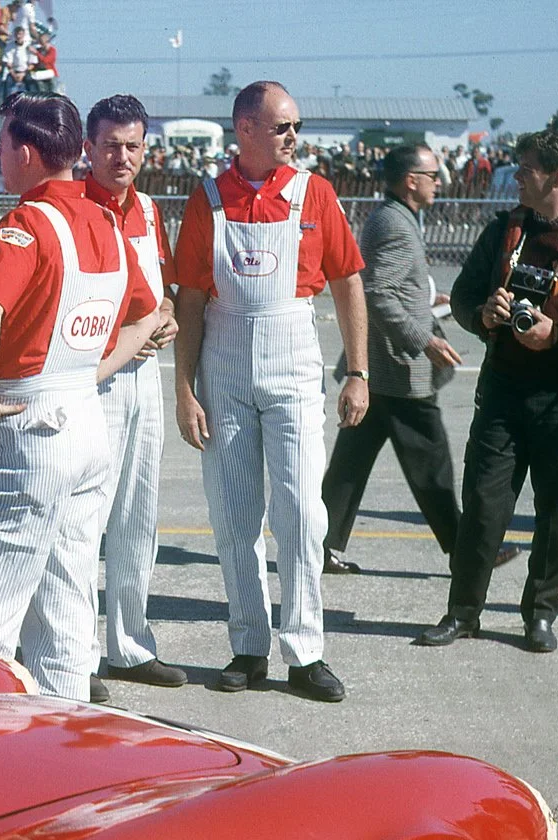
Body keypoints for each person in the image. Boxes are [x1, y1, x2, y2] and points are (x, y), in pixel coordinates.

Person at [0, 92, 161, 703]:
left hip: (29, 422)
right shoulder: (108, 222)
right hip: (86, 423)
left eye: (4, 144)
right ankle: (66, 743)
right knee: (67, 611)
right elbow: (147, 315)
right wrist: (92, 372)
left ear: (28, 152)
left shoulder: (28, 223)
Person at [172, 80, 368, 703]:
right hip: (223, 365)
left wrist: (358, 371)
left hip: (292, 360)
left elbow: (347, 284)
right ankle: (248, 645)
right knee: (234, 514)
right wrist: (184, 388)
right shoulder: (207, 199)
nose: (293, 138)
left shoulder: (316, 193)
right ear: (246, 130)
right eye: (282, 127)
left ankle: (306, 650)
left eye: (296, 127)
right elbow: (191, 300)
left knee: (303, 514)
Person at [417, 129, 558, 653]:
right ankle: (462, 612)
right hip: (503, 390)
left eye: (525, 169)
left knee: (557, 512)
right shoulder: (505, 230)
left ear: (557, 177)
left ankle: (540, 614)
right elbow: (466, 295)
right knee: (481, 504)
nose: (515, 176)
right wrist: (482, 314)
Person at [319, 144, 521, 576]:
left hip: (380, 366)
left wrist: (429, 299)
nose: (440, 182)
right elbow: (377, 293)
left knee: (350, 464)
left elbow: (390, 285)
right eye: (433, 175)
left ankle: (318, 546)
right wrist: (423, 338)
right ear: (411, 180)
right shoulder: (394, 223)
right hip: (397, 368)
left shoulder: (395, 217)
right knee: (432, 463)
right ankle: (467, 552)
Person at [81, 94, 186, 692]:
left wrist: (166, 315)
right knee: (85, 517)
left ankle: (128, 643)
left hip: (143, 377)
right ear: (88, 148)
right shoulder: (71, 207)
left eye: (132, 146)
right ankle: (77, 648)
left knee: (137, 514)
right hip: (94, 378)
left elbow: (162, 290)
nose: (122, 157)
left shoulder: (147, 209)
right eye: (110, 145)